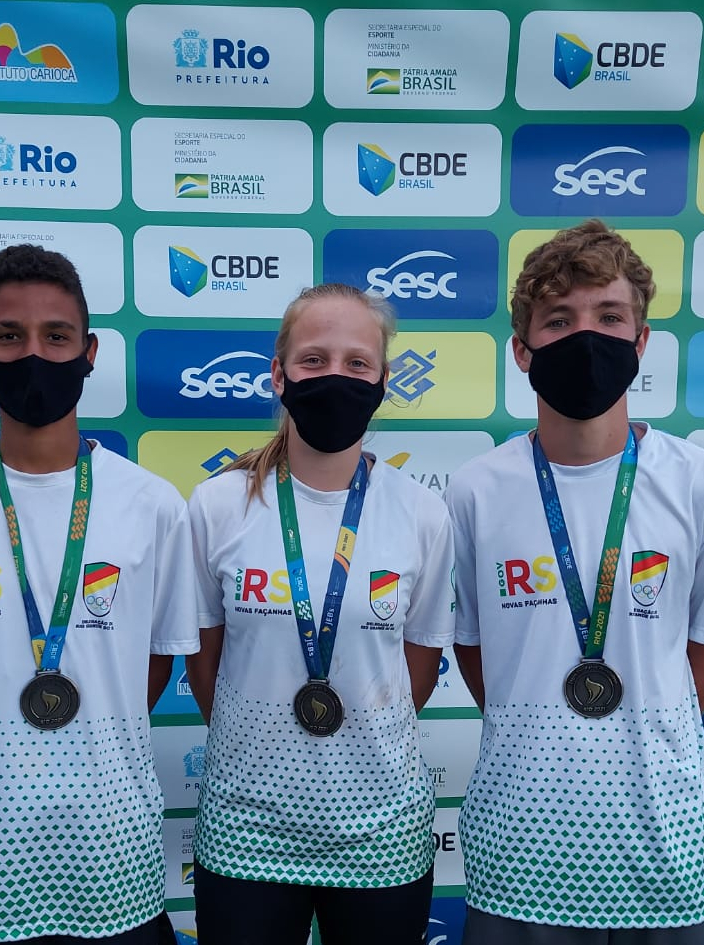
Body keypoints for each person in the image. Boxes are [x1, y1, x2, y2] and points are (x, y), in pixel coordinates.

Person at [0, 244, 196, 944]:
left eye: (56, 336)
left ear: (90, 351)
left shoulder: (153, 505)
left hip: (113, 862)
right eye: (8, 336)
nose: (33, 354)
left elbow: (153, 665)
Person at [446, 219, 704, 945]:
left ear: (641, 342)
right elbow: (477, 652)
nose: (586, 337)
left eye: (609, 318)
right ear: (522, 350)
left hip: (665, 848)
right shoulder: (475, 490)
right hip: (521, 849)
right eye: (559, 320)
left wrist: (638, 728)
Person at [185, 283, 455, 945]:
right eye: (314, 359)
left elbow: (416, 670)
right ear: (279, 376)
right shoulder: (218, 506)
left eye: (357, 362)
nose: (336, 375)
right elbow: (206, 665)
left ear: (383, 381)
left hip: (381, 830)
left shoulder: (422, 513)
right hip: (247, 828)